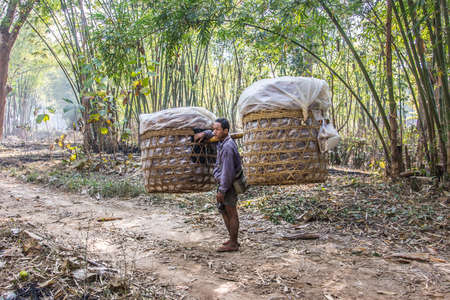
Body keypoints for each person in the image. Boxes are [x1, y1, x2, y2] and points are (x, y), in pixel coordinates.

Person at [194, 118, 242, 252]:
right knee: (224, 211)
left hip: (228, 185)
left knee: (231, 212)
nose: (214, 131)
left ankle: (233, 243)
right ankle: (233, 240)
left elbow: (228, 172)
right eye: (213, 129)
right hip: (224, 183)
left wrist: (222, 190)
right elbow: (213, 134)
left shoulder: (227, 147)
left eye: (217, 129)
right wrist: (206, 134)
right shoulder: (222, 141)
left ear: (226, 131)